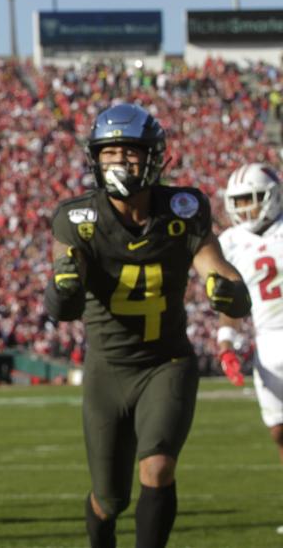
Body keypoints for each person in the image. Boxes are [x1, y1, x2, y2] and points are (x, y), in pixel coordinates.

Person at [44, 103, 250, 548]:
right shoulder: (78, 217)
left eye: (131, 151)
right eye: (110, 152)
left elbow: (214, 265)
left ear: (154, 155)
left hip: (166, 362)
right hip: (108, 370)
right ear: (95, 158)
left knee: (157, 466)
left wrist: (223, 284)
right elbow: (62, 300)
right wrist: (65, 282)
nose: (120, 162)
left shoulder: (184, 207)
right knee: (109, 500)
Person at [217, 163, 283, 534]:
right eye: (238, 200)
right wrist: (226, 344)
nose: (244, 208)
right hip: (267, 340)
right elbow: (232, 304)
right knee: (278, 430)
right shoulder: (229, 242)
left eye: (251, 199)